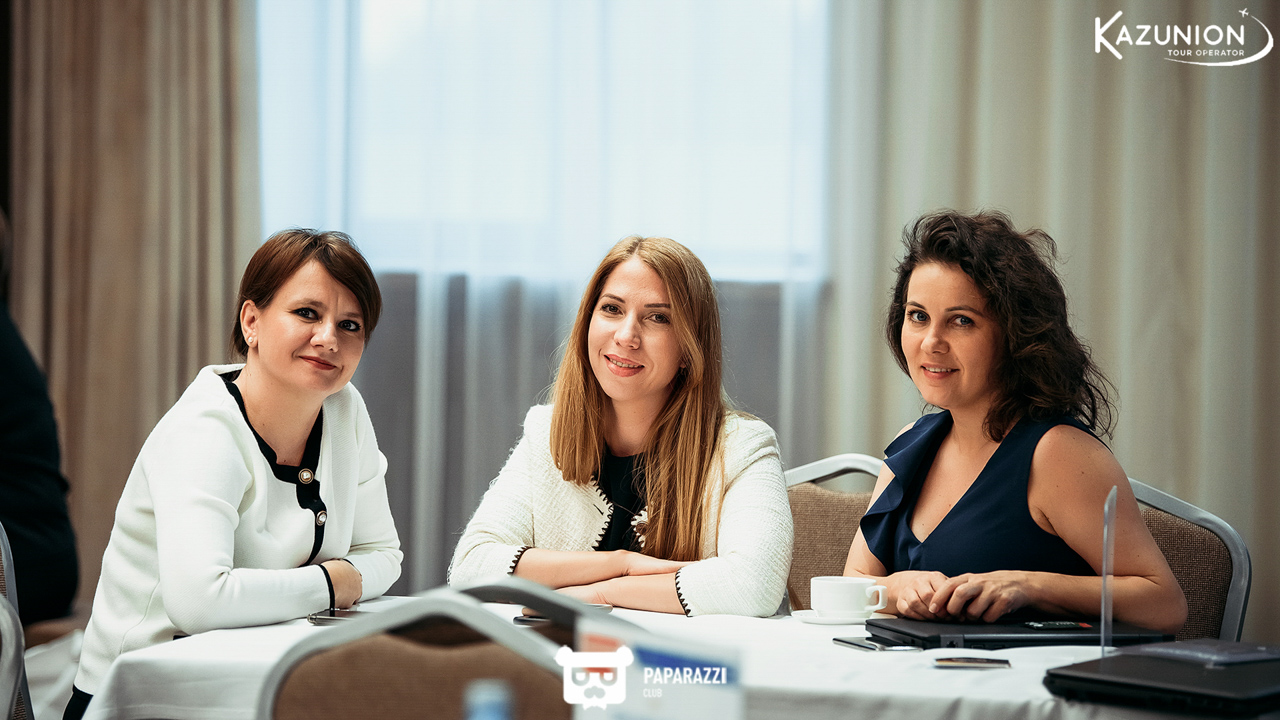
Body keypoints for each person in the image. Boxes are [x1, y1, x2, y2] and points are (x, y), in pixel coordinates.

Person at [67, 230, 403, 719]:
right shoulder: (203, 430)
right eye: (307, 313)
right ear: (252, 321)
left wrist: (332, 581)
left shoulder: (344, 409)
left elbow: (384, 554)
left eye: (349, 325)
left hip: (258, 684)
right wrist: (333, 583)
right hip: (146, 699)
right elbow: (200, 603)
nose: (328, 339)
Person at [843, 210, 1186, 634]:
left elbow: (1164, 603)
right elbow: (851, 584)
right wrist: (894, 590)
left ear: (1014, 334)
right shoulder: (909, 445)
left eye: (962, 320)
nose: (931, 342)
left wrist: (1029, 586)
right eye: (918, 316)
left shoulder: (1057, 452)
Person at [449, 236, 792, 616]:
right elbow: (470, 570)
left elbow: (754, 587)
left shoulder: (743, 447)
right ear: (587, 323)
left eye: (658, 317)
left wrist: (598, 594)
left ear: (689, 349)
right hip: (561, 653)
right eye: (612, 309)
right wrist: (620, 563)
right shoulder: (545, 433)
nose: (626, 336)